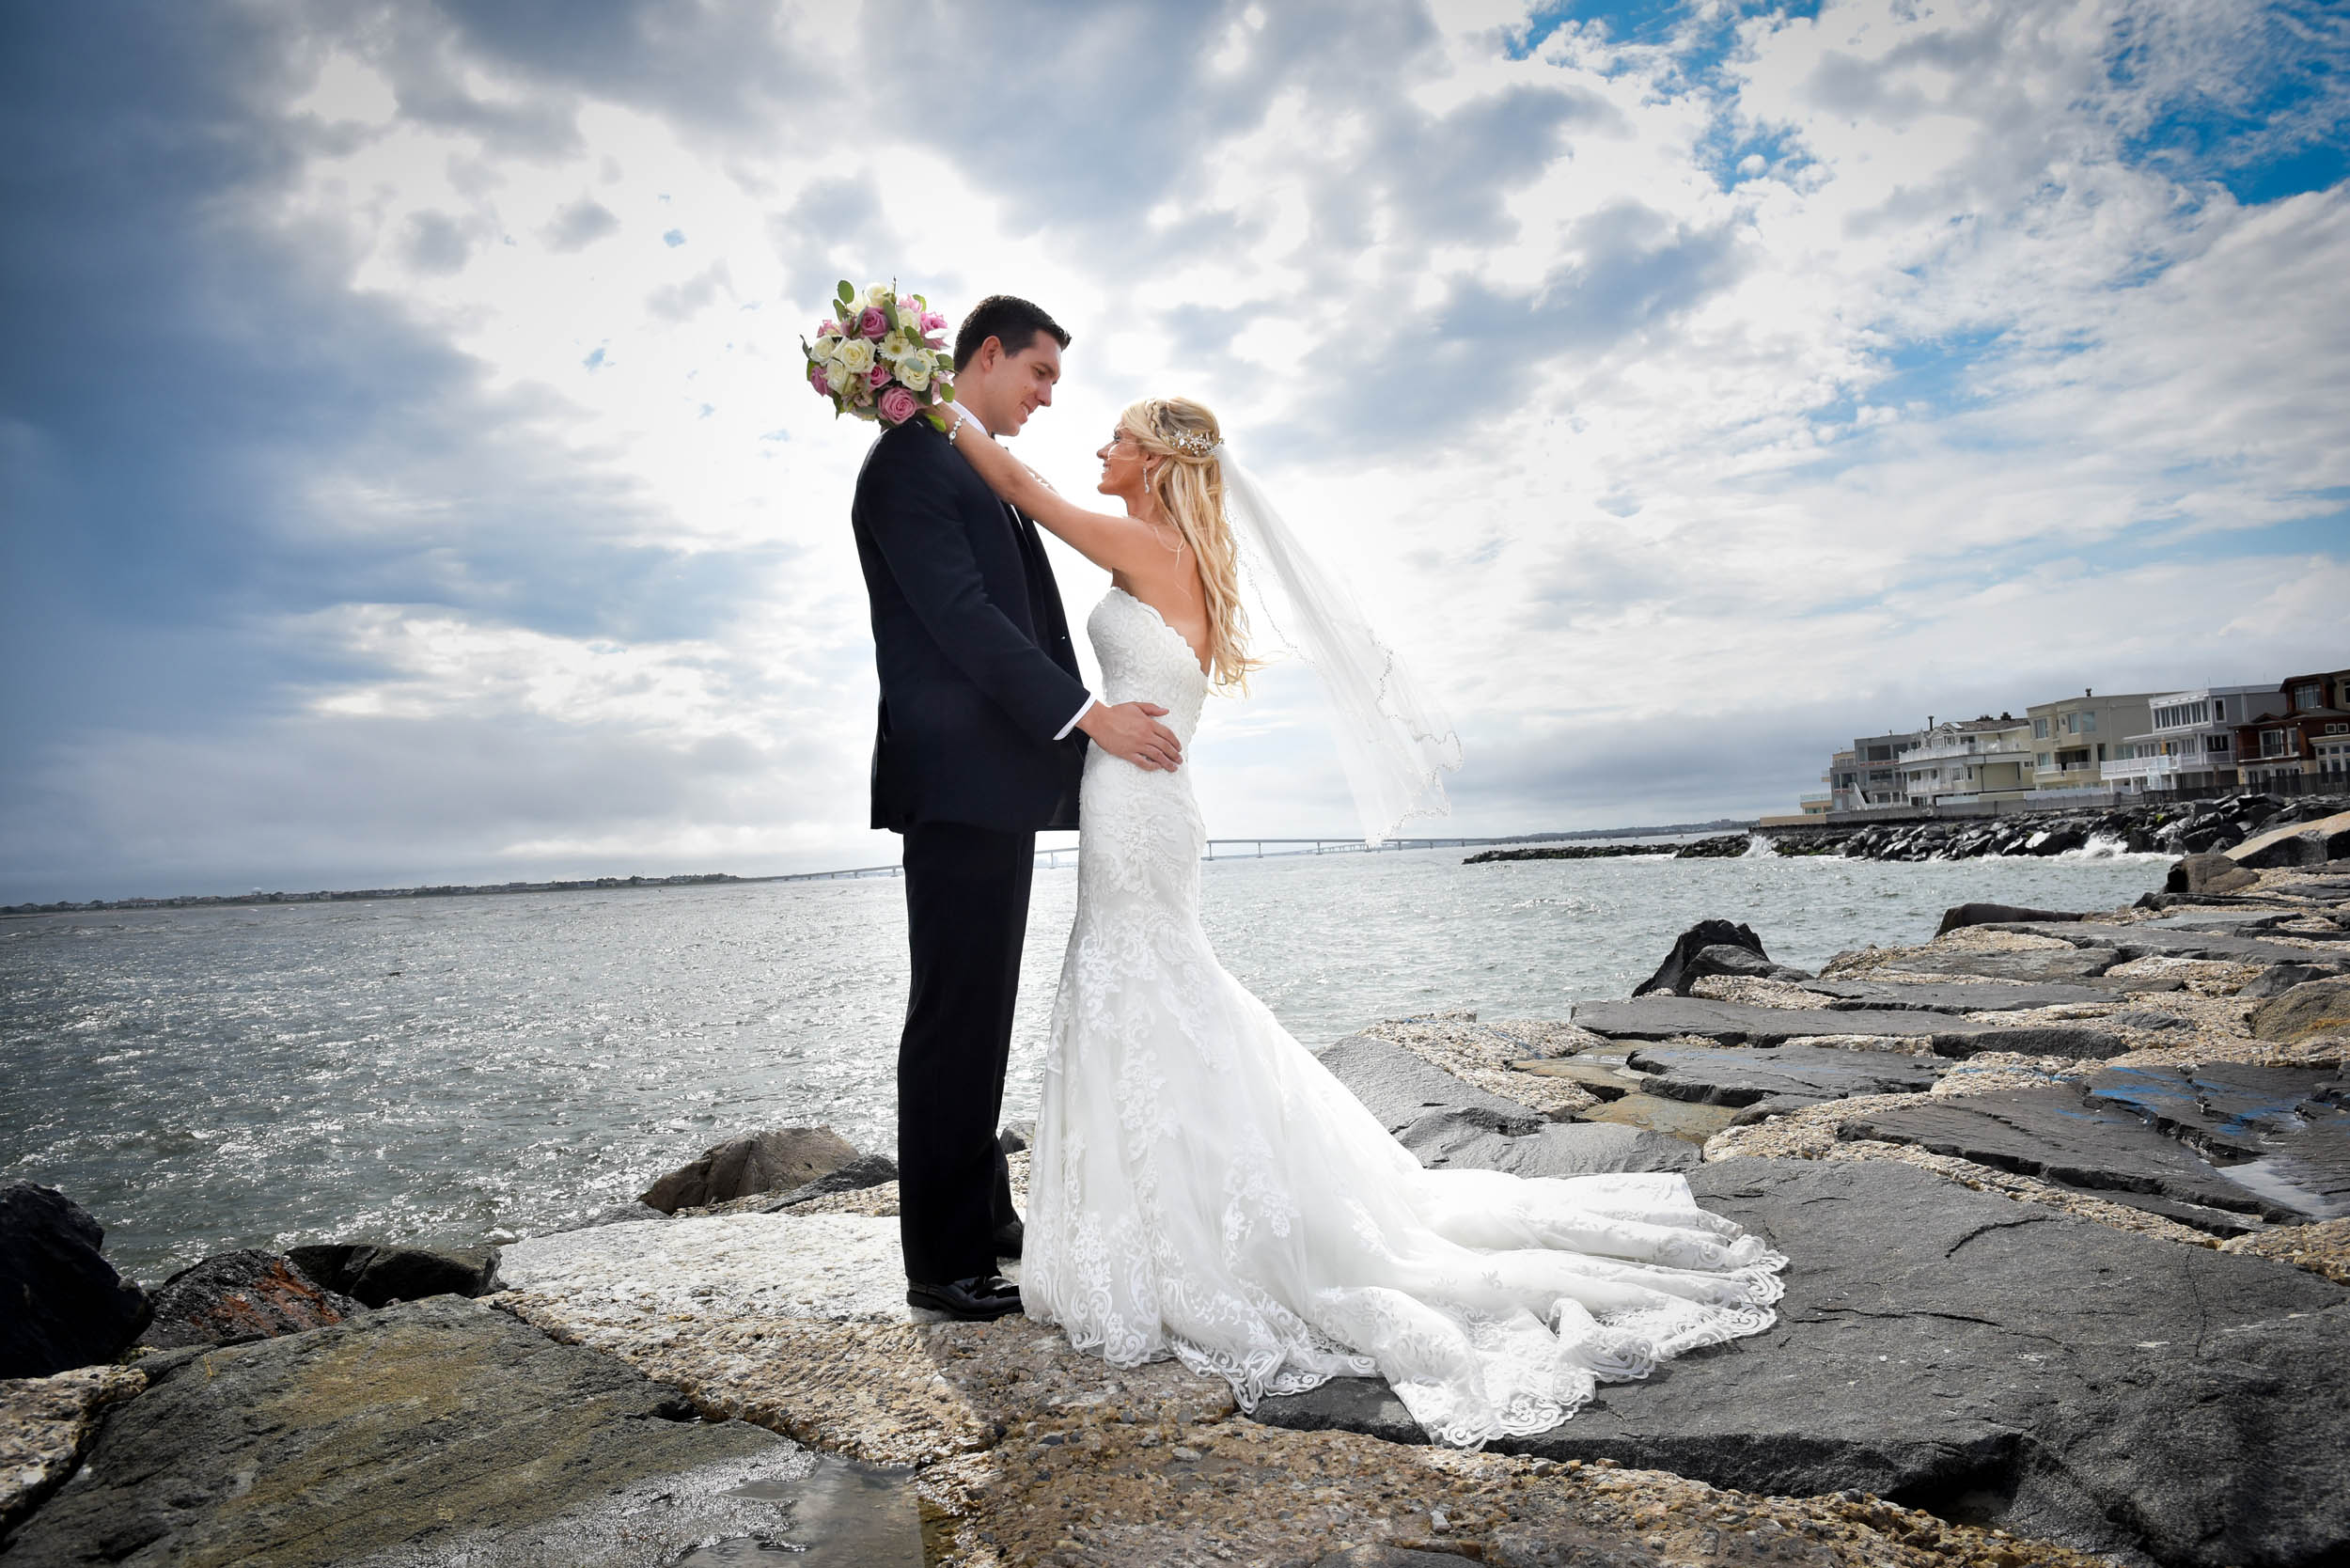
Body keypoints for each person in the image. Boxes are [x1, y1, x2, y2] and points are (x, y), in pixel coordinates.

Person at [937, 394, 1788, 1446]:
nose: (1098, 449)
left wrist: (915, 387)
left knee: (1143, 982)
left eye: (1116, 437)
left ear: (1155, 461)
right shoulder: (1161, 556)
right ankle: (1171, 1220)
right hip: (1138, 799)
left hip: (1140, 804)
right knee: (1153, 986)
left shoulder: (1147, 545)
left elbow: (1017, 485)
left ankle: (1180, 1233)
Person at [848, 294, 1182, 1321]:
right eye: (1039, 376)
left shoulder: (965, 462)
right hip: (953, 783)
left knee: (982, 1008)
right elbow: (963, 620)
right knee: (953, 1014)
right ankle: (940, 1260)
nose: (1045, 399)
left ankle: (984, 1212)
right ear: (986, 355)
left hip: (987, 783)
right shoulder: (909, 464)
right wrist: (1089, 718)